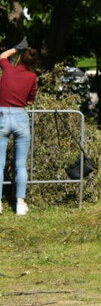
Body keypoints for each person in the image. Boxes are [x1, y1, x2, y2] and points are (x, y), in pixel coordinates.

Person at [0, 39, 38, 216]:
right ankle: (20, 204)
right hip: (20, 117)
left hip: (1, 117)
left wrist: (16, 48)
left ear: (21, 58)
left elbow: (2, 56)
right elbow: (31, 100)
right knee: (20, 165)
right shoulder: (32, 77)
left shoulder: (8, 69)